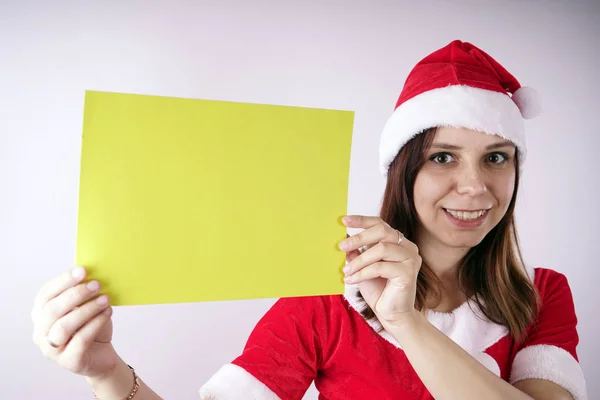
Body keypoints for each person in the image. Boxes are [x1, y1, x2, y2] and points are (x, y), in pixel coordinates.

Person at [31, 40, 587, 400]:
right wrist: (103, 369)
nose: (474, 186)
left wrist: (406, 323)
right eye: (443, 156)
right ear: (403, 170)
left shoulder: (540, 294)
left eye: (496, 157)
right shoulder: (324, 292)